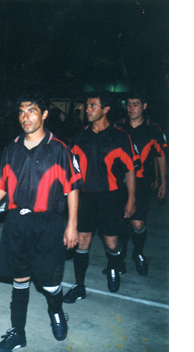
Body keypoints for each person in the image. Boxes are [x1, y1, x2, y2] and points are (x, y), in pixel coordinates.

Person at [0, 92, 82, 352]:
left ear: (44, 114)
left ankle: (56, 310)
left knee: (49, 283)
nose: (26, 117)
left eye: (32, 111)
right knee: (19, 279)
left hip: (48, 223)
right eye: (22, 112)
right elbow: (3, 183)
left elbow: (72, 188)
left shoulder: (59, 149)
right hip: (16, 222)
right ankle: (18, 333)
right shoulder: (11, 148)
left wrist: (72, 225)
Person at [64, 91, 140, 301]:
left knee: (112, 244)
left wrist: (131, 199)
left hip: (111, 198)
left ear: (106, 109)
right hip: (85, 198)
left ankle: (114, 267)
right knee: (82, 242)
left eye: (93, 106)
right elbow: (70, 169)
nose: (87, 110)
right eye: (87, 106)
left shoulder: (119, 136)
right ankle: (79, 286)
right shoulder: (80, 135)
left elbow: (130, 170)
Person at [116, 91, 168, 275]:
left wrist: (163, 181)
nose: (131, 108)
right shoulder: (118, 127)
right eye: (128, 104)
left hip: (142, 182)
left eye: (135, 104)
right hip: (119, 183)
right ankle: (118, 259)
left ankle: (138, 253)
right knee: (120, 223)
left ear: (144, 106)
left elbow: (161, 155)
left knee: (137, 224)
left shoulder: (154, 128)